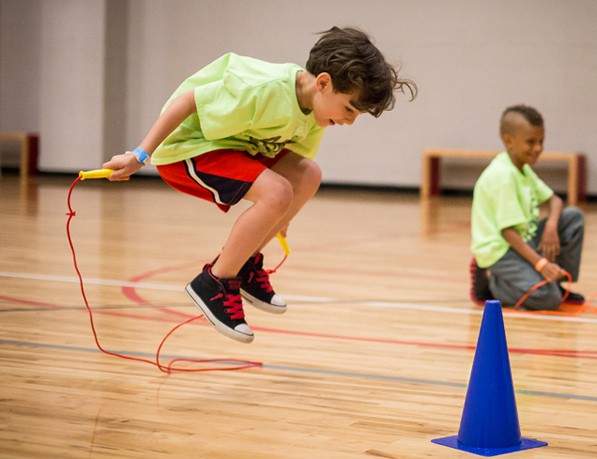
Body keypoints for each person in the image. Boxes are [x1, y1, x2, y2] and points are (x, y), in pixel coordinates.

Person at [102, 27, 417, 343]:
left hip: (231, 146)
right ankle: (214, 281)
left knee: (309, 175)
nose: (350, 120)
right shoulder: (264, 89)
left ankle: (245, 264)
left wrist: (282, 218)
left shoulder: (316, 113)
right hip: (186, 149)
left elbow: (295, 171)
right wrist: (139, 155)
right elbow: (187, 102)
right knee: (276, 192)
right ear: (323, 83)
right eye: (349, 108)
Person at [469, 104, 584, 311]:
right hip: (501, 250)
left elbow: (555, 201)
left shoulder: (522, 168)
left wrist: (551, 226)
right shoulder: (503, 176)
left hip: (524, 240)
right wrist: (541, 264)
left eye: (541, 141)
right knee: (549, 300)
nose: (538, 148)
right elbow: (509, 233)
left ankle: (557, 282)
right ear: (508, 141)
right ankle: (491, 282)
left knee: (573, 217)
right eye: (531, 142)